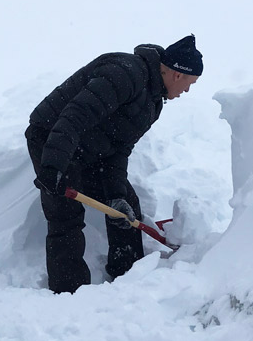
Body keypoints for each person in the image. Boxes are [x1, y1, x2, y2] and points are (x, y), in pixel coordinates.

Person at [25, 34, 203, 293]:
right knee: (66, 215)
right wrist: (53, 166)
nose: (187, 90)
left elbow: (119, 149)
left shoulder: (153, 102)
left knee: (124, 207)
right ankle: (68, 293)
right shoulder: (124, 73)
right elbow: (73, 117)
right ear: (178, 74)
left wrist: (116, 194)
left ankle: (127, 274)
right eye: (190, 83)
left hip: (84, 147)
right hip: (52, 139)